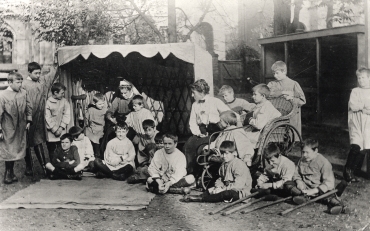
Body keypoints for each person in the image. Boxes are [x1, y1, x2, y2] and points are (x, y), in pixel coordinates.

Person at [283, 138, 347, 215]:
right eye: (303, 152)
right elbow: (296, 173)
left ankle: (339, 206)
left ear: (315, 151)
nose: (304, 155)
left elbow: (329, 183)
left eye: (307, 152)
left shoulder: (324, 163)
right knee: (288, 184)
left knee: (329, 196)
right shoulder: (302, 160)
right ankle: (303, 197)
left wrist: (313, 191)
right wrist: (298, 181)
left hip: (318, 190)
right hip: (305, 189)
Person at [183, 141, 252, 203]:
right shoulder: (224, 164)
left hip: (240, 192)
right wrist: (218, 187)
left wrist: (223, 189)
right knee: (211, 189)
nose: (224, 156)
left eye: (227, 153)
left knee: (226, 194)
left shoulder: (239, 164)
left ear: (234, 153)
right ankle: (199, 196)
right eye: (222, 153)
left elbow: (238, 185)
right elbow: (220, 178)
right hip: (227, 187)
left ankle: (202, 199)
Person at [22, 62, 56, 177]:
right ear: (29, 73)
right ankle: (29, 167)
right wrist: (27, 117)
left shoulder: (41, 81)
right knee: (26, 142)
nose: (38, 75)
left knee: (38, 141)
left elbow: (51, 76)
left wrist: (52, 67)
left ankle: (44, 167)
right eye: (36, 73)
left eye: (39, 73)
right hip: (28, 118)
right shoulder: (23, 84)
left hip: (39, 117)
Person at [0, 72, 32, 184]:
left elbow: (28, 107)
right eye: (17, 82)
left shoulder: (23, 93)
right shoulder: (2, 95)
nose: (20, 84)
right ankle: (8, 174)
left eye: (21, 82)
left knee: (20, 148)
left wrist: (28, 120)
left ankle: (14, 173)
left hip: (21, 126)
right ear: (10, 82)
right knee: (9, 149)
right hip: (8, 126)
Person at [101, 79, 148, 153]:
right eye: (122, 93)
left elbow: (145, 112)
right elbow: (109, 112)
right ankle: (106, 155)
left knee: (130, 136)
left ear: (130, 90)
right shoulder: (118, 99)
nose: (123, 95)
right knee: (110, 132)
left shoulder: (137, 99)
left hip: (132, 123)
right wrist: (111, 118)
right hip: (120, 121)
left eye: (125, 93)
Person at [343, 68, 370, 183]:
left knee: (366, 147)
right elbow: (353, 106)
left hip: (368, 123)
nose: (361, 80)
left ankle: (358, 170)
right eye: (359, 78)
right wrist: (364, 107)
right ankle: (348, 171)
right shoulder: (355, 91)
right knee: (356, 146)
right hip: (356, 121)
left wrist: (365, 108)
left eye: (363, 77)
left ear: (369, 78)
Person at [267, 61, 306, 135]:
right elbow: (267, 95)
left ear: (284, 71)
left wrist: (292, 99)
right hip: (276, 113)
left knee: (290, 134)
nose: (275, 75)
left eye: (277, 73)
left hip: (291, 115)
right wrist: (283, 92)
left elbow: (302, 100)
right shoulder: (272, 84)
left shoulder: (293, 84)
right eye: (273, 73)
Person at [45, 82, 71, 161]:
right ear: (55, 93)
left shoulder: (64, 102)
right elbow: (47, 117)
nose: (63, 95)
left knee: (63, 149)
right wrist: (54, 129)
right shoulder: (48, 103)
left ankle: (62, 166)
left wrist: (61, 128)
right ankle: (54, 167)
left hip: (62, 131)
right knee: (52, 150)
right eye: (62, 93)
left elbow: (67, 114)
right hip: (51, 132)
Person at [85, 93, 107, 158]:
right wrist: (88, 125)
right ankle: (92, 154)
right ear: (94, 103)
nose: (102, 105)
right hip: (92, 128)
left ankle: (98, 154)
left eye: (103, 103)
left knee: (98, 138)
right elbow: (86, 119)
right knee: (88, 134)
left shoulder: (105, 110)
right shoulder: (91, 110)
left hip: (101, 128)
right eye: (100, 104)